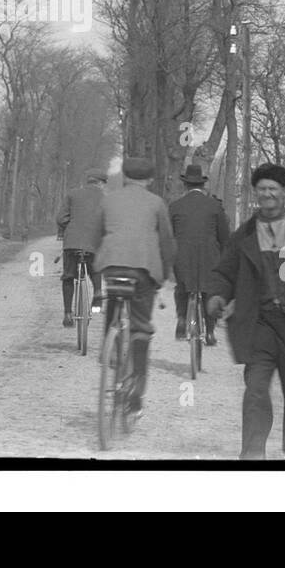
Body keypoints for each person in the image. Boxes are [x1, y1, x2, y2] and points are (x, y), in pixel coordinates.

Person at [206, 163, 285, 460]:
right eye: (261, 189)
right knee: (255, 391)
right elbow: (225, 272)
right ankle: (252, 454)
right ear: (255, 193)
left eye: (273, 189)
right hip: (258, 325)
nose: (267, 194)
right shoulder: (243, 236)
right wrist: (216, 295)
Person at [90, 156, 175, 420]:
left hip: (112, 266)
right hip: (143, 270)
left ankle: (110, 349)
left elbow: (96, 236)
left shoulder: (108, 199)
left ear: (124, 176)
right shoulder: (157, 203)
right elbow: (167, 242)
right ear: (149, 180)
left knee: (113, 303)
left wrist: (102, 258)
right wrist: (165, 275)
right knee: (140, 326)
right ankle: (135, 398)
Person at [168, 163, 230, 345]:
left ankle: (181, 319)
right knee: (210, 291)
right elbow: (224, 237)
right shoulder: (215, 206)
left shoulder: (175, 206)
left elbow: (168, 235)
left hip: (183, 256)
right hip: (209, 258)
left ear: (185, 185)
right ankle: (210, 332)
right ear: (203, 186)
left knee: (181, 287)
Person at [56, 168, 107, 326]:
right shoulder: (106, 198)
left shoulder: (72, 194)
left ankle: (67, 314)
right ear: (100, 183)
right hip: (94, 241)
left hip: (72, 242)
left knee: (68, 277)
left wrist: (70, 226)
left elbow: (61, 218)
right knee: (96, 264)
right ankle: (98, 291)